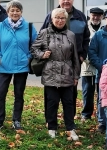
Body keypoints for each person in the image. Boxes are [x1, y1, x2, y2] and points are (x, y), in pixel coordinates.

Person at [32, 8, 80, 140]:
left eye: (62, 18)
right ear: (52, 19)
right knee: (52, 102)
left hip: (67, 73)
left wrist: (76, 75)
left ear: (66, 20)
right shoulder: (44, 33)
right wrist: (42, 54)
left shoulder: (71, 35)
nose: (60, 20)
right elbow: (34, 48)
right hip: (50, 72)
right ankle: (52, 127)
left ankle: (70, 127)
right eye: (57, 18)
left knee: (69, 102)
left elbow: (75, 57)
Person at [0, 0, 37, 132]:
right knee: (0, 94)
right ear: (7, 12)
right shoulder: (0, 26)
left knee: (19, 94)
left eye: (17, 10)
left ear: (21, 12)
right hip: (4, 65)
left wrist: (29, 57)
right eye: (12, 10)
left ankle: (17, 120)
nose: (15, 12)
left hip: (22, 66)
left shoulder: (29, 27)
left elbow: (35, 44)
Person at [41, 0, 89, 119]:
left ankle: (70, 119)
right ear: (59, 0)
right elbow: (42, 36)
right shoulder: (50, 15)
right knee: (51, 93)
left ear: (73, 0)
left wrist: (82, 55)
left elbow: (86, 38)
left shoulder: (80, 16)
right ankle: (50, 120)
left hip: (72, 61)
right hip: (53, 61)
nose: (66, 1)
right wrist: (45, 53)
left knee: (71, 92)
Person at [81, 7, 106, 121]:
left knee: (100, 89)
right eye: (93, 15)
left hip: (101, 63)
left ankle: (99, 114)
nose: (95, 17)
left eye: (98, 15)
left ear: (102, 16)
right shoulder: (84, 27)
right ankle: (86, 114)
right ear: (90, 15)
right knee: (87, 90)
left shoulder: (105, 28)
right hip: (87, 64)